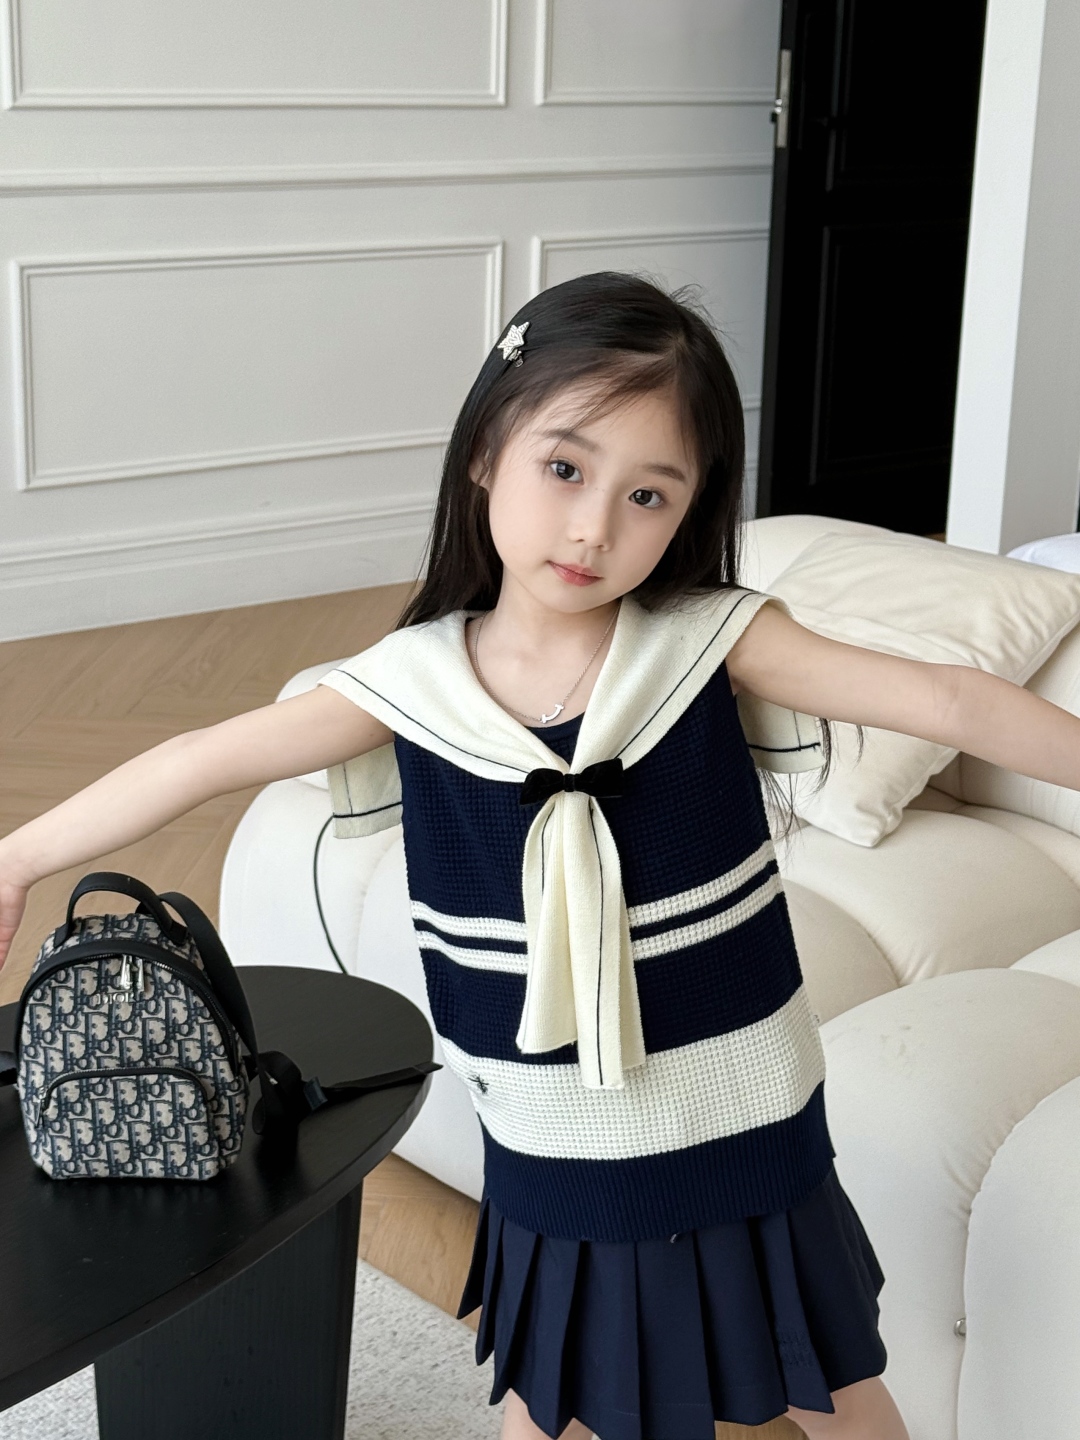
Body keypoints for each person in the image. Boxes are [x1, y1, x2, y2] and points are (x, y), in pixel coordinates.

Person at [3, 272, 1080, 1440]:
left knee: (822, 1375)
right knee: (554, 1380)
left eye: (647, 494)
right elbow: (197, 760)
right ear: (485, 453)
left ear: (690, 511)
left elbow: (952, 699)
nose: (593, 528)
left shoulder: (710, 640)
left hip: (741, 1102)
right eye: (565, 468)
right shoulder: (410, 687)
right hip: (550, 1121)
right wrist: (18, 856)